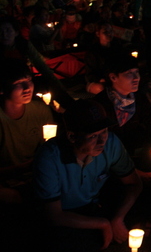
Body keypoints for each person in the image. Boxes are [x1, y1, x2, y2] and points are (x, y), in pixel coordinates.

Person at [34, 99, 142, 252]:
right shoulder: (49, 157)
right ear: (72, 136)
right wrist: (103, 224)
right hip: (67, 215)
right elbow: (54, 214)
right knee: (63, 239)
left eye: (104, 131)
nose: (101, 141)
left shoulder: (111, 142)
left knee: (143, 198)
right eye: (93, 136)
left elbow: (134, 183)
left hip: (95, 204)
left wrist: (118, 218)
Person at [0, 59, 53, 204]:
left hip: (36, 175)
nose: (27, 88)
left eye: (29, 81)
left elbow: (50, 147)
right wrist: (25, 167)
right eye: (18, 84)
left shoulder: (40, 110)